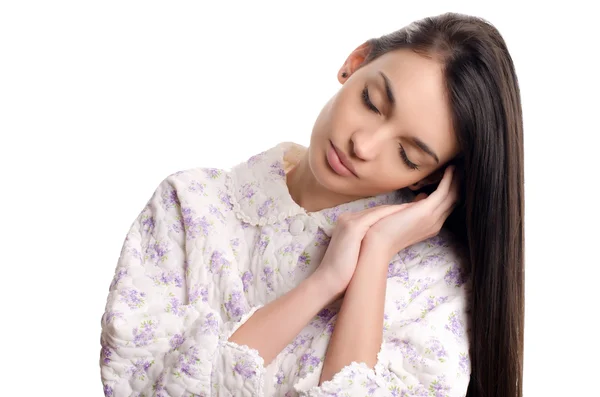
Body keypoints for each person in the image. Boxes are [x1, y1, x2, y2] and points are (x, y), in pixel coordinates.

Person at [100, 11, 524, 397]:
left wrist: (374, 254)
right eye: (372, 102)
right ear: (355, 63)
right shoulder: (190, 207)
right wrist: (323, 283)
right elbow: (145, 388)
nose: (363, 144)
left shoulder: (435, 283)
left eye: (408, 155)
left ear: (429, 177)